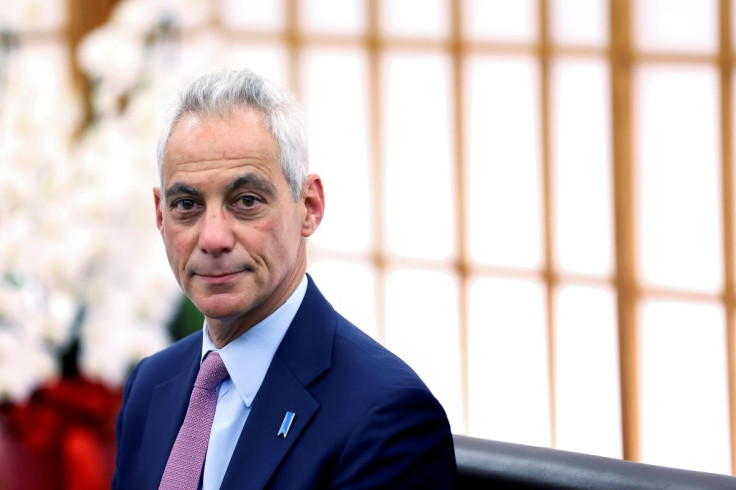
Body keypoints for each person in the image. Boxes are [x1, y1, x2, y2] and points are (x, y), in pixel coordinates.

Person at [112, 68, 456, 489]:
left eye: (247, 201)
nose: (214, 238)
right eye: (187, 204)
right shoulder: (150, 385)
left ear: (309, 206)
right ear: (161, 217)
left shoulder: (386, 416)